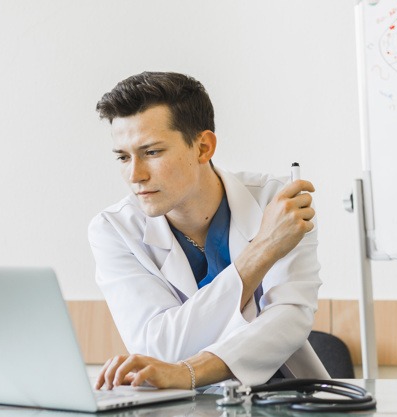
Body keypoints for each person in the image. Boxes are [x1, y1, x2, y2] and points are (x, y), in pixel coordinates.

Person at [88, 71, 328, 391]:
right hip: (178, 405)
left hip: (283, 397)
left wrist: (186, 371)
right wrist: (264, 249)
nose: (135, 175)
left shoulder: (276, 201)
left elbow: (289, 319)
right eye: (123, 157)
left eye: (152, 152)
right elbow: (160, 349)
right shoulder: (114, 230)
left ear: (203, 147)